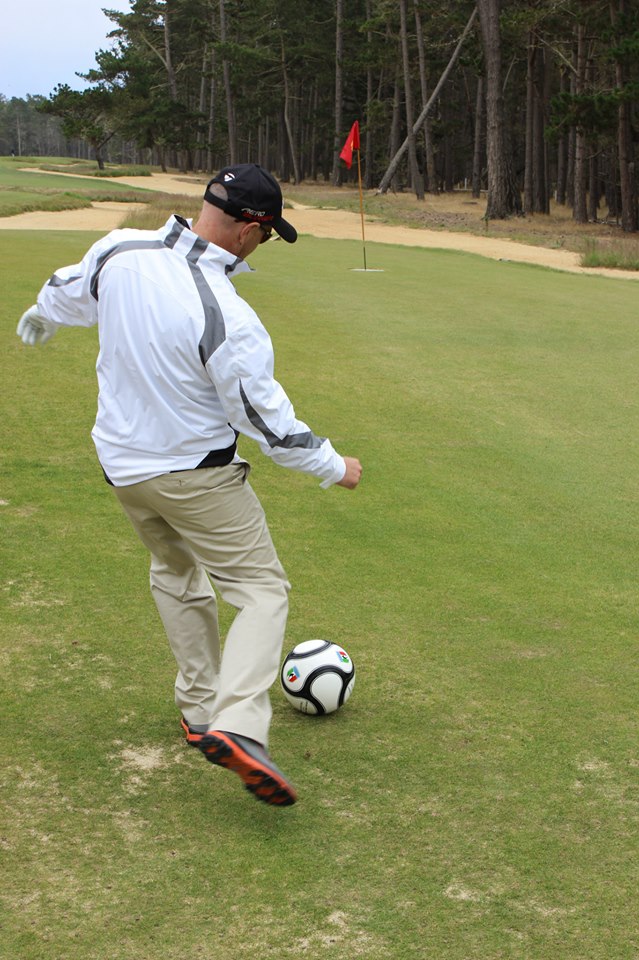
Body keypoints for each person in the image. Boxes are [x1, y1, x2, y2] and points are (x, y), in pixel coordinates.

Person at [16, 163, 362, 807]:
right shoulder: (225, 311)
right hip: (196, 476)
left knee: (176, 573)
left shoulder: (120, 248)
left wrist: (42, 315)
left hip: (123, 470)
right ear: (249, 229)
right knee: (261, 591)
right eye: (267, 235)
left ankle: (200, 712)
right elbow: (264, 419)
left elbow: (65, 290)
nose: (262, 245)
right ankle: (238, 726)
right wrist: (331, 465)